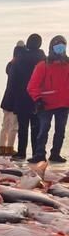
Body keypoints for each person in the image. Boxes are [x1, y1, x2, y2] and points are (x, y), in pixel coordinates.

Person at [27, 35, 69, 164]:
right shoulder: (43, 65)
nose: (60, 48)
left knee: (60, 131)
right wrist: (37, 99)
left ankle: (55, 154)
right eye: (58, 45)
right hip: (45, 104)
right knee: (43, 129)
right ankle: (40, 154)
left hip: (64, 104)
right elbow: (32, 85)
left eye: (63, 45)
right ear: (52, 47)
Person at [11, 34, 46, 160]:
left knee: (23, 128)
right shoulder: (43, 60)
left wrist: (13, 98)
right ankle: (37, 153)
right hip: (37, 98)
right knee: (37, 128)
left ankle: (21, 152)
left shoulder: (19, 58)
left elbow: (12, 79)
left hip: (21, 97)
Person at [0, 40, 26, 156]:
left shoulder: (10, 64)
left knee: (5, 125)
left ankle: (2, 148)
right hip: (16, 99)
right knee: (14, 126)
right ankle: (9, 148)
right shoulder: (21, 64)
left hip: (7, 98)